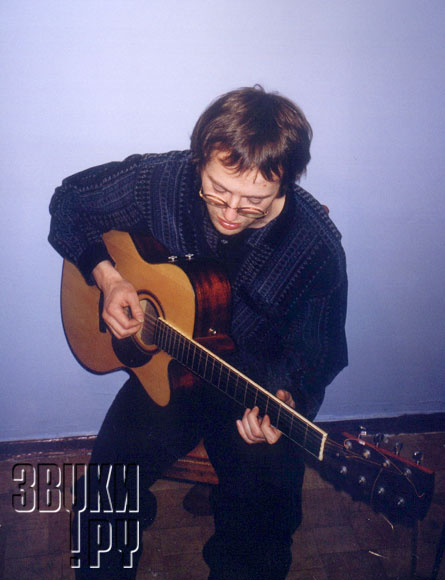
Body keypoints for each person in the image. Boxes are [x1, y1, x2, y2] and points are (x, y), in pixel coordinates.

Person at [49, 85, 348, 579]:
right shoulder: (164, 180)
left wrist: (289, 399)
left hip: (249, 392)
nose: (230, 212)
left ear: (285, 183)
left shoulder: (315, 250)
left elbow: (318, 355)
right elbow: (68, 203)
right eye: (217, 190)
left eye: (253, 201)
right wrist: (109, 278)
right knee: (105, 493)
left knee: (263, 527)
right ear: (199, 161)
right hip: (167, 373)